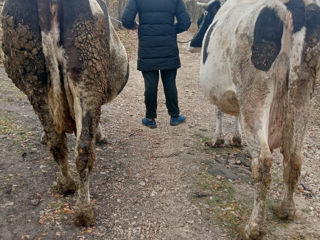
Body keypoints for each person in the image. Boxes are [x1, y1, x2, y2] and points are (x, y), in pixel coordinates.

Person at [122, 0, 191, 128]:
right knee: (170, 82)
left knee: (150, 84)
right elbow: (185, 22)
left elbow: (126, 20)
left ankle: (150, 118)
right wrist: (171, 30)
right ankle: (174, 116)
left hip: (147, 46)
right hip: (168, 46)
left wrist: (134, 25)